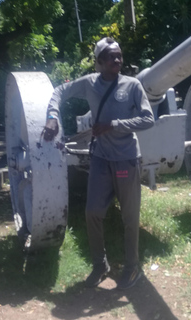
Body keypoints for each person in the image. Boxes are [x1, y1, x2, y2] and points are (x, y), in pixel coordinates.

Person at [43, 37, 154, 290]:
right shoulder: (90, 84)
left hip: (126, 159)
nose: (117, 60)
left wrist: (115, 125)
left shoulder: (133, 85)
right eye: (112, 57)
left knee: (129, 216)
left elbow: (148, 119)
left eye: (119, 56)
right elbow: (59, 91)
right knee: (92, 212)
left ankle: (132, 265)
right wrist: (52, 116)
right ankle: (99, 264)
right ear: (99, 62)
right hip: (102, 159)